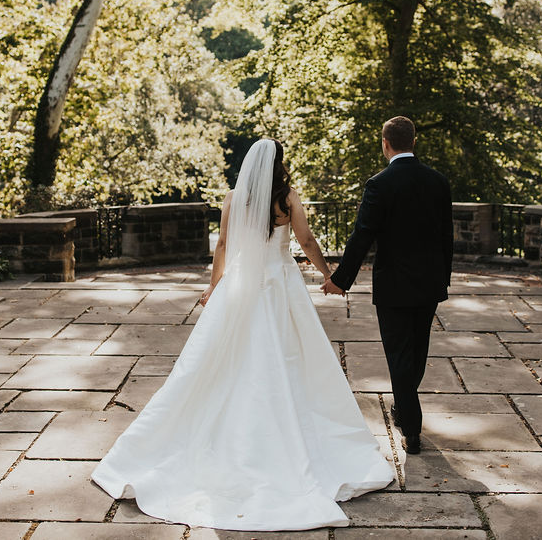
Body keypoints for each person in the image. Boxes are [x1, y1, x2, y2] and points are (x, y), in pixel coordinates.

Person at [91, 139, 393, 531]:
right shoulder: (287, 199)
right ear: (280, 165)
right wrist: (327, 273)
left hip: (239, 286)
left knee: (220, 363)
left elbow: (222, 246)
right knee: (291, 360)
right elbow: (305, 241)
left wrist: (214, 286)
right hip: (280, 285)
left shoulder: (235, 198)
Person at [322, 116, 453, 455]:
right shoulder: (438, 182)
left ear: (385, 143)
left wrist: (340, 279)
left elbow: (362, 235)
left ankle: (411, 429)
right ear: (413, 141)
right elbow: (446, 239)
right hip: (428, 284)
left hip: (394, 286)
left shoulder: (380, 184)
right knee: (417, 352)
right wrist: (444, 279)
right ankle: (404, 408)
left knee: (399, 356)